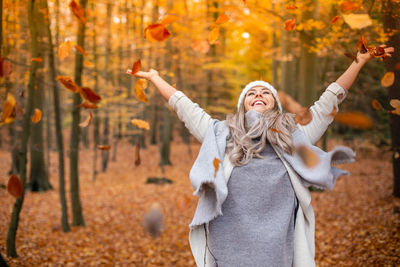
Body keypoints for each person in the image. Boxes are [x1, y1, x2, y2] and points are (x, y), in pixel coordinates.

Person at [127, 45, 394, 267]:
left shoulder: (295, 135)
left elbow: (328, 104)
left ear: (274, 105)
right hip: (228, 240)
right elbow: (185, 108)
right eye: (251, 93)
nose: (258, 95)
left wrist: (358, 62)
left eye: (266, 92)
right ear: (243, 104)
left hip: (276, 245)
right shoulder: (221, 133)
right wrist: (154, 78)